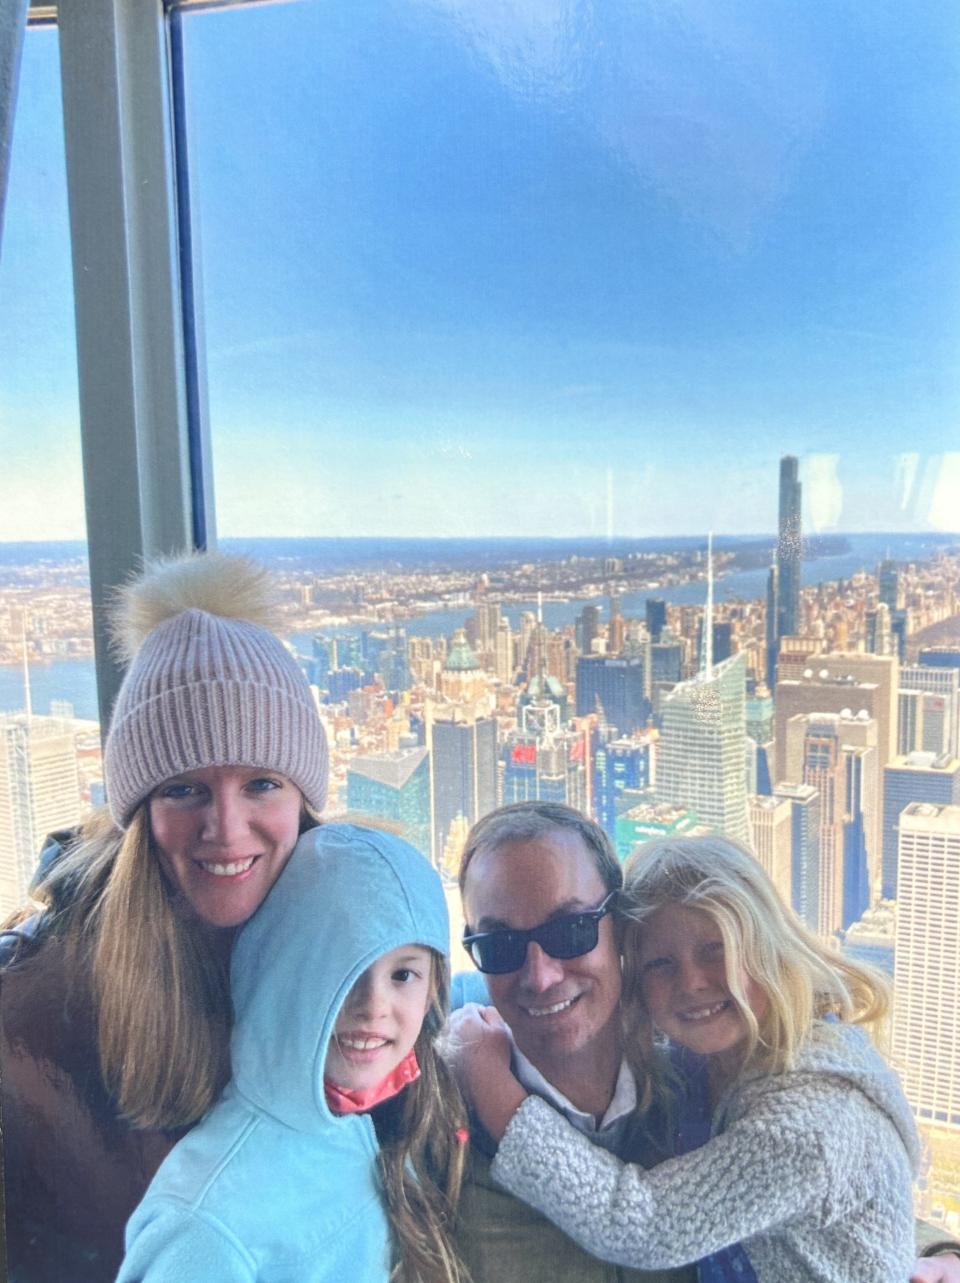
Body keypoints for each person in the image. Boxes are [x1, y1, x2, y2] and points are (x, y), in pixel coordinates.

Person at [448, 802, 960, 1283]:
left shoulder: (750, 1094)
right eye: (500, 946)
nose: (539, 975)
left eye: (571, 930)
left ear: (613, 935)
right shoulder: (434, 1108)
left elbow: (656, 1221)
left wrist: (941, 1253)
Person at [0, 550, 328, 1283]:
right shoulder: (38, 1006)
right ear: (136, 812)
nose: (228, 827)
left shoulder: (356, 956)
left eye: (262, 783)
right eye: (184, 788)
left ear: (303, 799)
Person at [117, 823, 468, 1283]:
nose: (374, 1007)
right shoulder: (207, 1224)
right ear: (279, 972)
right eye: (341, 972)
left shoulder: (383, 1112)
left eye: (403, 976)